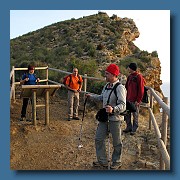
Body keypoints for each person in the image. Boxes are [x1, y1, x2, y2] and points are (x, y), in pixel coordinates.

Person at [86, 64, 126, 170]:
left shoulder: (120, 88)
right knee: (99, 139)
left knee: (116, 142)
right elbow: (101, 97)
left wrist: (113, 109)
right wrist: (91, 96)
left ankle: (116, 162)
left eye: (107, 73)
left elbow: (123, 105)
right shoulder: (107, 86)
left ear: (114, 75)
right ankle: (102, 161)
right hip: (104, 118)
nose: (105, 75)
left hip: (115, 119)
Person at [123, 62, 144, 135]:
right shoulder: (129, 76)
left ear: (131, 68)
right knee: (127, 114)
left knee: (135, 114)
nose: (128, 68)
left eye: (128, 67)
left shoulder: (139, 77)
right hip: (128, 99)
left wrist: (138, 100)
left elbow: (141, 90)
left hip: (135, 100)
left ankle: (134, 128)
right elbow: (126, 87)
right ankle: (129, 127)